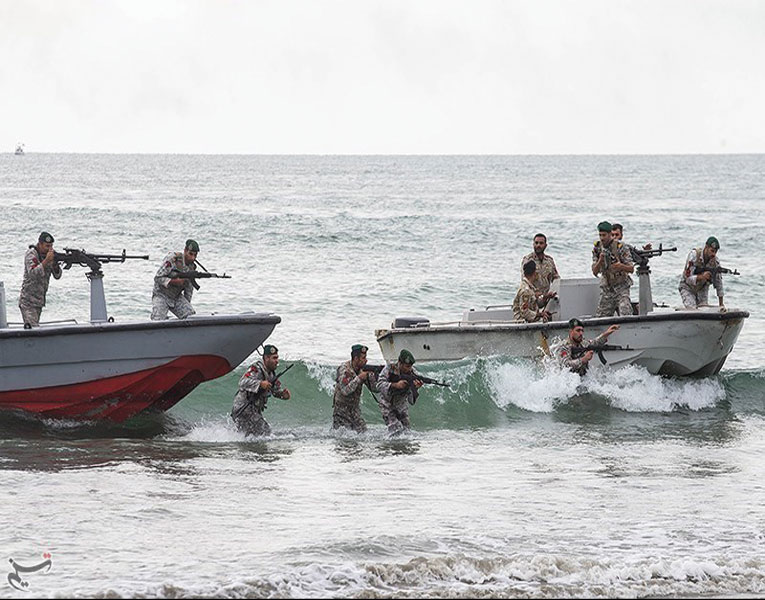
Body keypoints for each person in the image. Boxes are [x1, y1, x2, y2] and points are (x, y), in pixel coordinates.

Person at [231, 344, 291, 436]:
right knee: (265, 433)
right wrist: (260, 384)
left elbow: (275, 392)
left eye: (277, 358)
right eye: (274, 358)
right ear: (266, 358)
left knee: (252, 438)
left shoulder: (271, 374)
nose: (277, 361)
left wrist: (283, 395)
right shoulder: (256, 369)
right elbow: (242, 382)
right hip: (242, 409)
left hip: (253, 411)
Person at [18, 231, 62, 327]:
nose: (49, 249)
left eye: (51, 246)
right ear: (40, 244)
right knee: (33, 330)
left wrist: (55, 263)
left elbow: (57, 276)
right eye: (47, 246)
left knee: (35, 328)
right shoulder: (31, 254)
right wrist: (46, 261)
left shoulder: (49, 255)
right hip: (28, 302)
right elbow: (33, 273)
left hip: (39, 301)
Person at [591, 221, 634, 316]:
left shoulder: (620, 247)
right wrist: (600, 260)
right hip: (607, 289)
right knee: (601, 319)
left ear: (610, 234)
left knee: (625, 312)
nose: (602, 238)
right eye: (600, 235)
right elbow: (594, 272)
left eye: (604, 235)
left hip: (621, 287)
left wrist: (621, 266)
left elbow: (631, 268)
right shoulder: (597, 248)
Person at [375, 349, 422, 434]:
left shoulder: (413, 374)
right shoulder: (390, 369)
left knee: (406, 433)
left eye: (410, 366)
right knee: (395, 431)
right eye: (407, 366)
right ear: (400, 363)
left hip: (401, 406)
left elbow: (411, 401)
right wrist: (395, 385)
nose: (409, 369)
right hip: (387, 405)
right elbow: (379, 385)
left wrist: (415, 388)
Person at [332, 344, 376, 433]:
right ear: (356, 359)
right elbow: (345, 390)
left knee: (364, 434)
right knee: (344, 438)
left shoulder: (361, 370)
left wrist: (372, 377)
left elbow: (375, 389)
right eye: (363, 358)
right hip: (342, 411)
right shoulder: (345, 370)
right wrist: (359, 378)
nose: (366, 360)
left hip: (355, 410)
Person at [151, 239, 199, 320]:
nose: (192, 258)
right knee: (157, 320)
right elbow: (158, 278)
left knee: (190, 317)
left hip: (176, 297)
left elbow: (189, 290)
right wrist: (173, 282)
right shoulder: (173, 259)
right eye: (190, 254)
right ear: (185, 251)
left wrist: (186, 305)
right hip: (161, 294)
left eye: (195, 255)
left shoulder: (191, 268)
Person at [556, 318, 620, 376]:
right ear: (570, 332)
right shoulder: (563, 346)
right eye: (578, 330)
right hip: (570, 382)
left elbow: (594, 343)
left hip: (583, 379)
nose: (581, 333)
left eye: (582, 331)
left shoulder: (582, 343)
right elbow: (566, 365)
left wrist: (606, 334)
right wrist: (583, 360)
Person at [678, 236, 725, 310]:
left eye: (715, 252)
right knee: (692, 310)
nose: (714, 254)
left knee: (704, 310)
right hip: (687, 287)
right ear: (706, 247)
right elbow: (687, 279)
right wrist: (702, 277)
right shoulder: (694, 255)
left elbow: (719, 283)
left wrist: (721, 304)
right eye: (712, 251)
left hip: (702, 289)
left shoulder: (715, 263)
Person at [520, 232, 560, 302]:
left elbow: (556, 278)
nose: (538, 245)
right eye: (536, 243)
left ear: (545, 245)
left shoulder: (549, 261)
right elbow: (525, 281)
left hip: (547, 299)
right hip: (532, 300)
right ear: (533, 244)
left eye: (541, 243)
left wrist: (554, 291)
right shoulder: (528, 260)